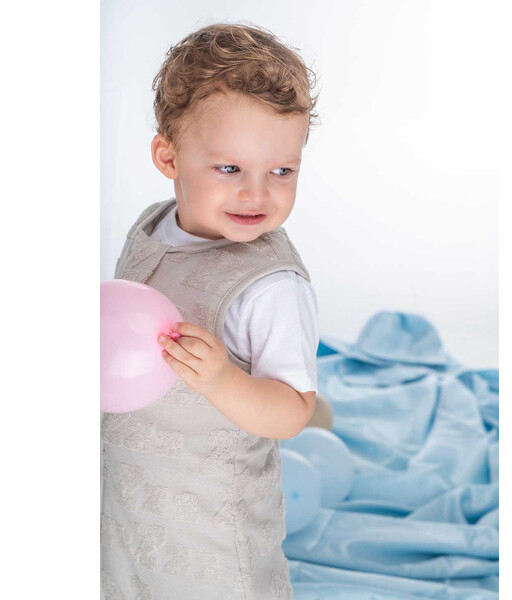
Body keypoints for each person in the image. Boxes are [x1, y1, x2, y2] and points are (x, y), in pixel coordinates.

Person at [101, 22, 321, 599]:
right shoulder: (150, 228)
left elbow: (293, 411)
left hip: (210, 527)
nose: (258, 193)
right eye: (230, 168)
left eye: (282, 171)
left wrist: (224, 380)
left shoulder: (270, 286)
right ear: (168, 156)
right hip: (129, 499)